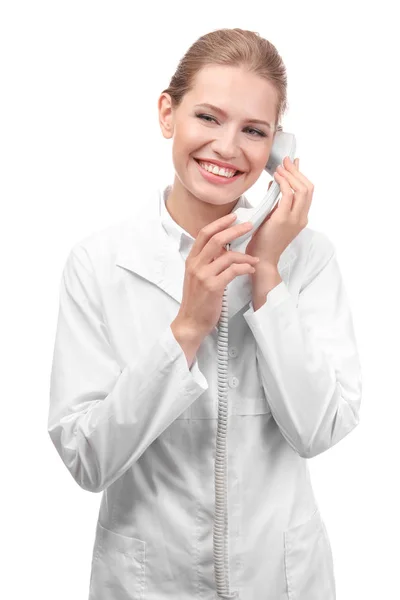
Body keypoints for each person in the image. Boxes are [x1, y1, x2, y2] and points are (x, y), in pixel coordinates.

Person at [48, 28, 362, 600]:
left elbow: (318, 429)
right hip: (145, 583)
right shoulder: (98, 263)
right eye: (208, 117)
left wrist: (267, 272)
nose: (227, 147)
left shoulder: (308, 259)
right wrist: (187, 329)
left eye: (255, 131)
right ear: (167, 113)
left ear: (279, 148)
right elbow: (86, 458)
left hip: (283, 580)